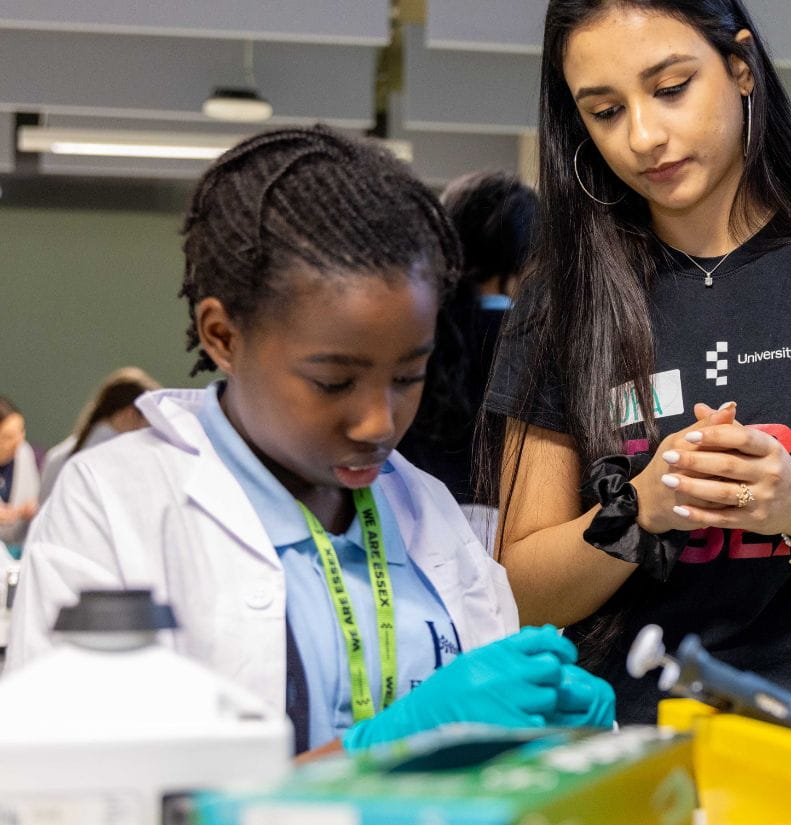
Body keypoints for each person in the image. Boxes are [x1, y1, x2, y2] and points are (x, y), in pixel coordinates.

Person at [7, 127, 613, 756]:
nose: (378, 423)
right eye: (333, 381)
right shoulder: (115, 503)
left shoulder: (424, 509)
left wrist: (554, 736)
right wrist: (385, 749)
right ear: (221, 336)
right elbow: (85, 789)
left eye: (408, 376)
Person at [488, 0, 791, 724]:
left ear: (741, 68)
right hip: (623, 745)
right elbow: (517, 591)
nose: (645, 135)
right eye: (607, 111)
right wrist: (640, 510)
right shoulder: (564, 301)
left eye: (671, 88)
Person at [398, 171, 538, 549]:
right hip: (513, 543)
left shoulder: (411, 335)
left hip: (410, 530)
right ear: (527, 257)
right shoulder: (538, 342)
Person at [38, 367, 160, 503]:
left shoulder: (57, 456)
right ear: (129, 414)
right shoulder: (122, 461)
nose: (151, 428)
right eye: (149, 420)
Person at [0, 397, 39, 549]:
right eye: (7, 437)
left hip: (20, 549)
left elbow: (34, 499)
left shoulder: (24, 453)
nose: (18, 441)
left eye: (21, 432)